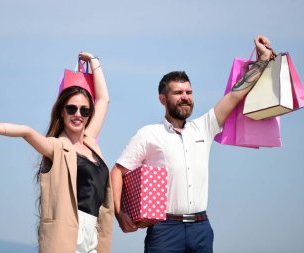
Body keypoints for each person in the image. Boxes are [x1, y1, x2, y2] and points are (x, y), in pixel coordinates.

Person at [110, 36, 276, 253]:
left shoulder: (204, 127)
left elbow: (236, 94)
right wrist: (120, 214)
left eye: (188, 92)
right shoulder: (148, 134)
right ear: (163, 99)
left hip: (201, 227)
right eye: (178, 93)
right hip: (164, 229)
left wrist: (262, 60)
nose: (185, 97)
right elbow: (117, 172)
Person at [0, 52, 114, 253]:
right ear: (61, 112)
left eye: (84, 110)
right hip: (68, 232)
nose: (78, 114)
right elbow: (26, 132)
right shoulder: (56, 146)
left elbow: (104, 99)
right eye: (71, 109)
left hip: (94, 232)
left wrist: (94, 61)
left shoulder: (90, 142)